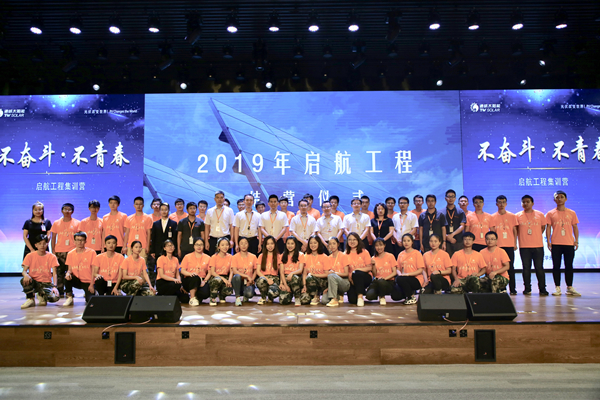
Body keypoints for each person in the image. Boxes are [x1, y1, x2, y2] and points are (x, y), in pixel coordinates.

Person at [546, 190, 580, 296]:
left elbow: (575, 227)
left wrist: (576, 241)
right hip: (556, 243)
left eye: (561, 197)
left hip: (569, 243)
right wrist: (548, 241)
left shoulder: (572, 213)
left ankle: (569, 287)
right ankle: (557, 287)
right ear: (554, 200)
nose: (559, 199)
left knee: (569, 266)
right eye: (557, 197)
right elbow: (548, 227)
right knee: (556, 266)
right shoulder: (550, 213)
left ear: (566, 199)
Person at [516, 195, 548, 296]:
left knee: (539, 268)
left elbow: (543, 227)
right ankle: (527, 288)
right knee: (526, 268)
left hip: (538, 246)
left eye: (528, 202)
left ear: (532, 203)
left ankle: (542, 289)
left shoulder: (540, 214)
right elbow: (516, 230)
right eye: (523, 202)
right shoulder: (517, 216)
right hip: (524, 246)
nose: (525, 204)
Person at [20, 234, 60, 308]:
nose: (42, 246)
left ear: (47, 244)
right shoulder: (29, 256)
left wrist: (55, 286)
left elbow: (55, 273)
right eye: (39, 243)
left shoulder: (52, 256)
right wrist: (26, 275)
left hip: (46, 283)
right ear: (36, 245)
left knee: (55, 297)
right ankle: (31, 299)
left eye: (44, 243)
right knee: (24, 280)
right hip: (33, 281)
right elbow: (24, 271)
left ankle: (41, 295)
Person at [50, 203, 80, 297]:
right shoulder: (56, 223)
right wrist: (53, 251)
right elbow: (53, 238)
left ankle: (68, 291)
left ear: (72, 211)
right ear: (61, 211)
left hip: (72, 251)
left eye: (69, 209)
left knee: (70, 272)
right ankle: (59, 291)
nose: (67, 211)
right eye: (65, 209)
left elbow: (79, 238)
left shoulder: (77, 223)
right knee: (59, 272)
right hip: (59, 251)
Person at [491, 195, 519, 295]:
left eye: (503, 202)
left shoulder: (512, 216)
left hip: (509, 245)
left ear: (506, 204)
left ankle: (513, 289)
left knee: (510, 267)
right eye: (499, 202)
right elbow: (492, 232)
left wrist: (515, 243)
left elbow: (515, 230)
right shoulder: (492, 217)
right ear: (496, 204)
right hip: (498, 246)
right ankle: (502, 288)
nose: (501, 204)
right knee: (499, 268)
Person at [64, 232, 97, 306]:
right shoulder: (70, 253)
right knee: (66, 277)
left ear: (85, 241)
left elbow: (94, 270)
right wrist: (68, 273)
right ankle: (69, 297)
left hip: (88, 281)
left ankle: (94, 292)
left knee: (90, 301)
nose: (79, 242)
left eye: (82, 240)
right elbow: (70, 270)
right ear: (74, 241)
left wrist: (92, 284)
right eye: (77, 240)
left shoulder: (92, 252)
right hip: (77, 280)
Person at [150, 202, 177, 285]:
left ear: (168, 210)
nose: (164, 211)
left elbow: (175, 238)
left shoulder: (173, 223)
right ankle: (159, 285)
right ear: (160, 211)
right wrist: (152, 251)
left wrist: (174, 250)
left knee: (169, 268)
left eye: (166, 209)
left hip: (169, 250)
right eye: (162, 210)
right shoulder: (155, 224)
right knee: (159, 268)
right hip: (158, 249)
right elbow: (153, 238)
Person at [395, 233, 425, 305]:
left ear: (412, 242)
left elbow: (420, 270)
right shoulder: (401, 254)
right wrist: (400, 274)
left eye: (408, 241)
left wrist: (407, 274)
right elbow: (398, 269)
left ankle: (411, 297)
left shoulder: (417, 253)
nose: (406, 243)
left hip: (416, 279)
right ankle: (408, 293)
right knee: (395, 295)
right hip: (404, 278)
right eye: (404, 241)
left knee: (400, 279)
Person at [365, 238, 397, 305]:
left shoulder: (390, 256)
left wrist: (384, 279)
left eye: (381, 245)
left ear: (384, 245)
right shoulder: (373, 258)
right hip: (377, 281)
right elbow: (375, 274)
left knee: (381, 282)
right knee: (369, 296)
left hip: (389, 281)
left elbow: (394, 272)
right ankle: (378, 292)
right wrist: (373, 265)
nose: (379, 247)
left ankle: (382, 296)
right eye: (377, 245)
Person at [180, 238, 211, 306]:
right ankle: (192, 298)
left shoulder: (208, 258)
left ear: (203, 246)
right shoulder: (187, 257)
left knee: (205, 293)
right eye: (197, 244)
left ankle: (197, 297)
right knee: (195, 277)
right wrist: (190, 274)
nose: (199, 247)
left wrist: (204, 281)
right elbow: (182, 270)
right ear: (193, 246)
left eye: (201, 245)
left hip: (201, 280)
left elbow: (209, 272)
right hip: (189, 279)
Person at [345, 232, 373, 306]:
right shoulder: (345, 254)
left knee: (357, 273)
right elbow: (345, 270)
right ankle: (361, 291)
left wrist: (356, 270)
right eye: (350, 240)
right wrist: (350, 279)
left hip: (365, 277)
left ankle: (360, 297)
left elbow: (369, 267)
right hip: (351, 279)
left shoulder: (364, 252)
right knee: (352, 300)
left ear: (358, 240)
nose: (352, 241)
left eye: (354, 239)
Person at [322, 237, 350, 307]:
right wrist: (328, 288)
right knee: (324, 300)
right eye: (330, 244)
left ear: (338, 244)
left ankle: (334, 299)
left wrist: (335, 273)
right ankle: (338, 295)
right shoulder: (328, 258)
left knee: (331, 275)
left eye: (334, 243)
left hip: (344, 282)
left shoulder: (343, 256)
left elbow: (346, 273)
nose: (332, 246)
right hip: (333, 283)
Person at [205, 191, 235, 256]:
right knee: (213, 258)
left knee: (226, 259)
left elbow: (232, 226)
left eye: (221, 197)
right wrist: (206, 241)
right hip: (213, 239)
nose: (219, 199)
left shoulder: (229, 210)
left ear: (224, 199)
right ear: (214, 199)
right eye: (217, 197)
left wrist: (231, 240)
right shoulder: (209, 211)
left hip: (225, 238)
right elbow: (207, 227)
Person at [302, 235, 329, 306]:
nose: (312, 245)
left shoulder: (324, 257)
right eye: (311, 243)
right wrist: (304, 285)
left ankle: (316, 296)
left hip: (322, 282)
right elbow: (304, 273)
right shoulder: (306, 256)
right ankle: (312, 294)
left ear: (319, 244)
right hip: (310, 283)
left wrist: (314, 275)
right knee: (304, 300)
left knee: (310, 277)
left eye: (315, 243)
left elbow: (327, 274)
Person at [278, 237, 306, 306]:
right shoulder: (282, 255)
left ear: (295, 244)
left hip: (297, 278)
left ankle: (297, 297)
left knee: (294, 277)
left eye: (292, 244)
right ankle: (290, 294)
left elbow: (300, 269)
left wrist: (292, 273)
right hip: (286, 279)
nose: (290, 246)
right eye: (288, 243)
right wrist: (284, 285)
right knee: (283, 301)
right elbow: (281, 272)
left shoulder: (301, 255)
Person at [230, 237, 257, 306]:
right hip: (238, 281)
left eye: (245, 243)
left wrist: (251, 280)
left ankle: (246, 295)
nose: (244, 245)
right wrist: (247, 276)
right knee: (237, 276)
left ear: (248, 245)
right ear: (238, 245)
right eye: (241, 243)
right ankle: (237, 298)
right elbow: (235, 271)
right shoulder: (235, 257)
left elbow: (256, 270)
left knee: (249, 294)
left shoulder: (253, 257)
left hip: (248, 282)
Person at [207, 237, 234, 305]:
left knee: (229, 290)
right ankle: (213, 297)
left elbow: (231, 271)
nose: (225, 247)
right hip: (215, 277)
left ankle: (222, 296)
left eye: (227, 245)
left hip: (225, 276)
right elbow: (212, 272)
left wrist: (229, 281)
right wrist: (223, 279)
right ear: (218, 246)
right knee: (218, 280)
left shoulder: (231, 257)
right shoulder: (214, 257)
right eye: (222, 245)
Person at [255, 236, 281, 304]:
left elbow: (281, 272)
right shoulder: (261, 256)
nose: (270, 246)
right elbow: (258, 271)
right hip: (264, 278)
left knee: (273, 293)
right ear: (265, 245)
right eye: (268, 244)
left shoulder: (278, 256)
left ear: (275, 245)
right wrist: (267, 279)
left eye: (272, 243)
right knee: (260, 281)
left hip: (275, 279)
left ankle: (270, 297)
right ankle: (263, 297)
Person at [441, 190, 466, 258]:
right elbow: (439, 227)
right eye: (449, 197)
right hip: (446, 241)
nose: (451, 199)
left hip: (458, 241)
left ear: (455, 198)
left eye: (452, 197)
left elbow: (462, 226)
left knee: (459, 260)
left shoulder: (460, 211)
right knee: (447, 260)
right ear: (445, 198)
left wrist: (452, 235)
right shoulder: (441, 212)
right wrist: (447, 237)